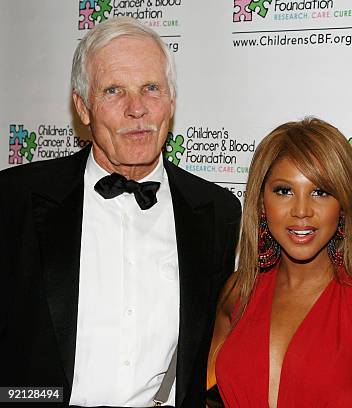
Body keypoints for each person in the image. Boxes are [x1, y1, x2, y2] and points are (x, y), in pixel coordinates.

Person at [0, 17, 241, 407]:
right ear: (83, 107)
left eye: (151, 88)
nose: (137, 109)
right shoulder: (14, 200)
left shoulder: (217, 212)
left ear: (172, 100)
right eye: (113, 90)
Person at [206, 118, 352, 407]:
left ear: (344, 204)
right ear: (260, 202)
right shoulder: (239, 291)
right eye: (284, 191)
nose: (302, 211)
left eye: (320, 192)